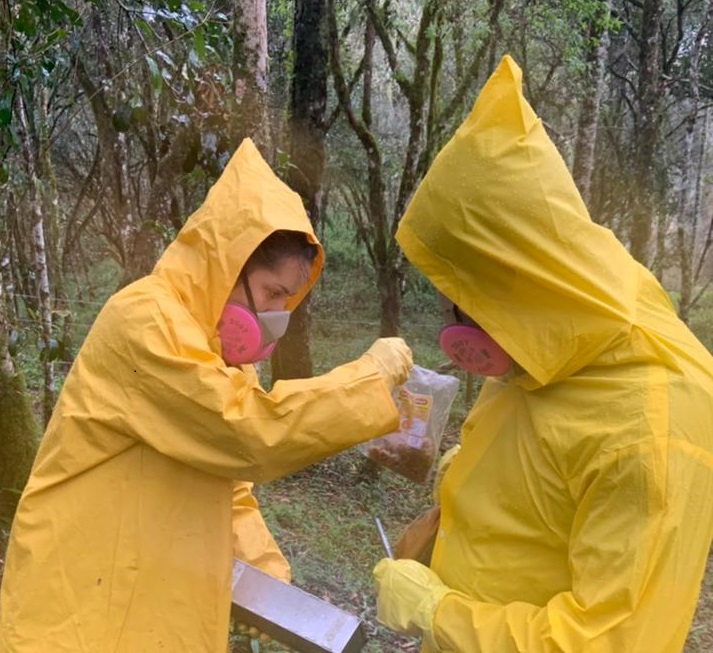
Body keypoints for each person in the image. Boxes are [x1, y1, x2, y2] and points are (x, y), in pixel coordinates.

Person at [0, 138, 413, 652]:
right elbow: (249, 432)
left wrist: (268, 580)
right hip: (78, 611)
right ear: (227, 264)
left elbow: (231, 484)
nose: (277, 316)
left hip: (153, 607)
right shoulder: (145, 321)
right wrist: (370, 378)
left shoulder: (220, 357)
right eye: (271, 294)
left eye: (289, 301)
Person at [372, 55, 713, 652]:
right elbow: (550, 448)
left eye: (462, 301)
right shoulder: (554, 328)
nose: (453, 327)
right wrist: (474, 475)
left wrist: (437, 612)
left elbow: (605, 643)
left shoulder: (652, 435)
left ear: (512, 282)